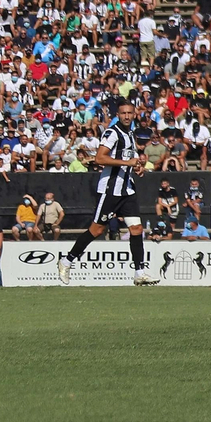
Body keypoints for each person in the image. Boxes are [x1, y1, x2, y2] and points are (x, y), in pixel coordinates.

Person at [58, 99, 159, 285]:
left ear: (134, 114)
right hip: (110, 189)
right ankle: (67, 260)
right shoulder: (112, 133)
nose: (127, 116)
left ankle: (139, 273)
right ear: (117, 115)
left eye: (129, 113)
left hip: (127, 188)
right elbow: (99, 158)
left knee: (136, 228)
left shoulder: (130, 133)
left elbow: (129, 157)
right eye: (123, 113)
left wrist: (137, 166)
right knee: (97, 230)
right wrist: (127, 163)